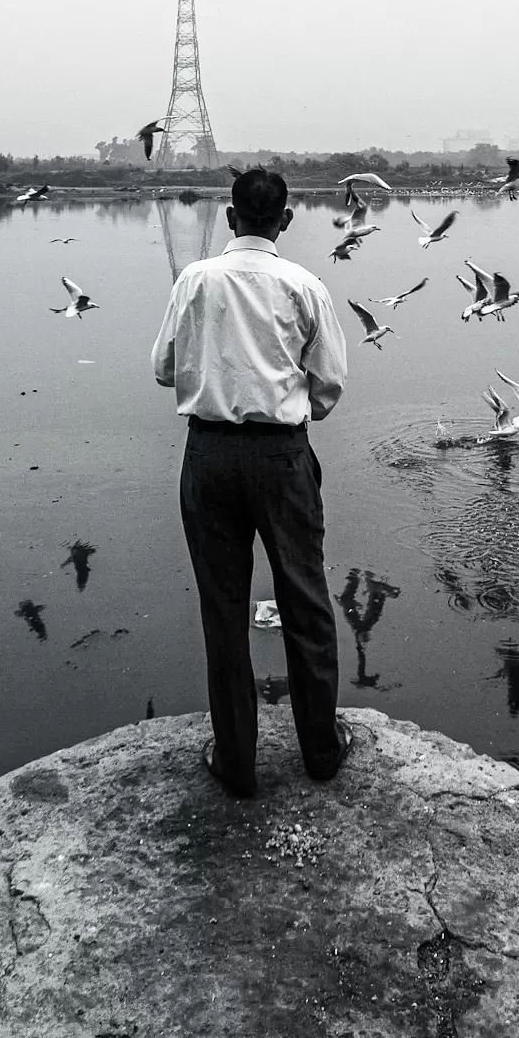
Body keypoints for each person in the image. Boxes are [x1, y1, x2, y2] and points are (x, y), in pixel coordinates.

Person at [151, 168, 351, 798]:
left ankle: (236, 761)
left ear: (231, 217)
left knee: (224, 607)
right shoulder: (305, 285)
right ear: (284, 220)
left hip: (208, 458)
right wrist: (291, 409)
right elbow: (329, 385)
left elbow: (162, 370)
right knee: (306, 603)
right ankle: (320, 750)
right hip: (283, 461)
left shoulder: (195, 280)